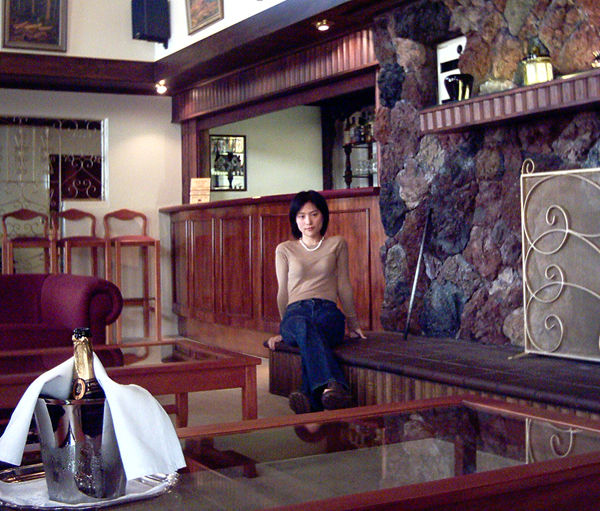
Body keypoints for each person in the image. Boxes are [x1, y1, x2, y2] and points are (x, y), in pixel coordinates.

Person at [267, 190, 366, 414]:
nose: (308, 222)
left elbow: (344, 285)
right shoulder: (284, 249)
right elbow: (283, 290)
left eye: (314, 214)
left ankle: (309, 394)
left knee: (312, 332)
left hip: (327, 311)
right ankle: (334, 385)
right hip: (295, 313)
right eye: (301, 216)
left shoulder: (337, 244)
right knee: (302, 326)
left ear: (323, 216)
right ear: (295, 219)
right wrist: (283, 327)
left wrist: (353, 323)